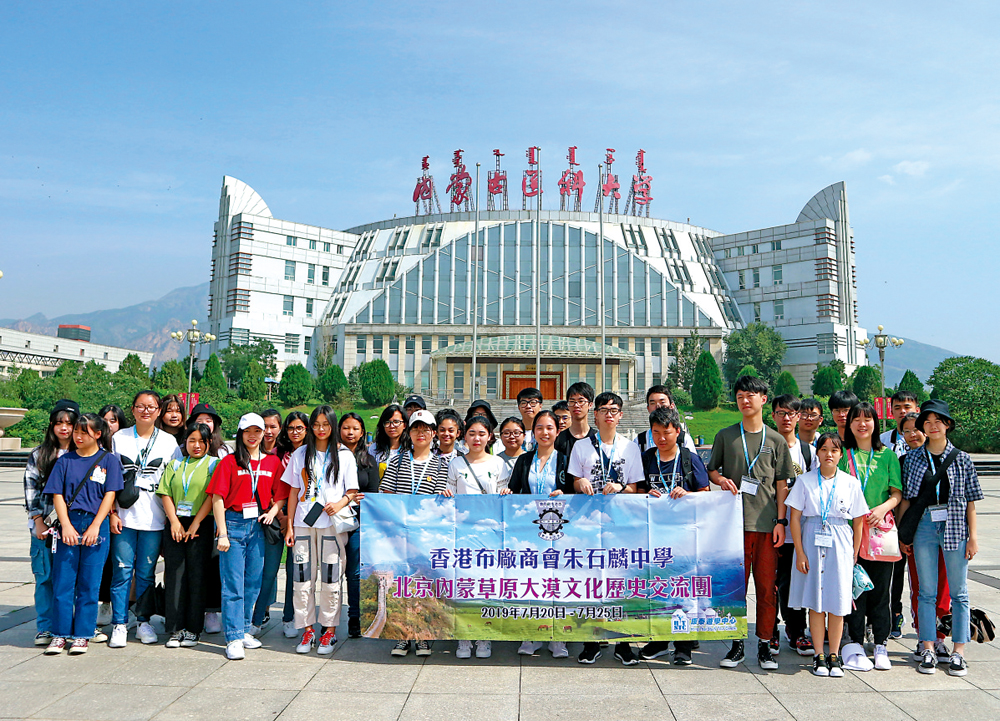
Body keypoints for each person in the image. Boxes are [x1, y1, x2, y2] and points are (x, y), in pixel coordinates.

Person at [707, 375, 795, 671]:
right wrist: (721, 479)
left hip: (767, 525)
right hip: (733, 526)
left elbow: (782, 483)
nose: (745, 400)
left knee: (767, 588)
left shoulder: (776, 439)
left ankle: (766, 643)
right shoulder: (726, 435)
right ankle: (736, 643)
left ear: (763, 400)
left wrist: (781, 521)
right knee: (735, 588)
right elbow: (712, 471)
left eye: (751, 395)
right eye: (740, 395)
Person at [899, 400, 982, 677]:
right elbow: (909, 500)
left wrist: (973, 537)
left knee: (959, 593)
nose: (932, 426)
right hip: (923, 527)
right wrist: (904, 533)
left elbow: (971, 501)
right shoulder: (912, 458)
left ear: (947, 424)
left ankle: (958, 651)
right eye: (927, 421)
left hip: (956, 527)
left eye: (938, 421)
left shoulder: (962, 458)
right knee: (926, 592)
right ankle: (928, 647)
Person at [566, 391, 643, 665]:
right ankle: (591, 641)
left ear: (620, 415)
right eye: (603, 410)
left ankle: (623, 642)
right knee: (590, 583)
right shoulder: (581, 447)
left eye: (614, 410)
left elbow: (637, 488)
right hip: (588, 526)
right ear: (594, 414)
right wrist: (581, 484)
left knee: (621, 582)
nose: (608, 414)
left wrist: (621, 486)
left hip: (620, 526)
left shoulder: (630, 447)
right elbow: (574, 481)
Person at [787, 433, 869, 677]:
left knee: (838, 601)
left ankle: (834, 654)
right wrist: (800, 552)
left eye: (834, 450)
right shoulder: (805, 481)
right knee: (815, 601)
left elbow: (859, 521)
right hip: (812, 538)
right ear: (818, 453)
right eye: (824, 449)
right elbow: (794, 518)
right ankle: (818, 655)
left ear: (840, 454)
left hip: (840, 540)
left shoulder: (850, 482)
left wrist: (853, 553)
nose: (829, 454)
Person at [42, 413, 124, 655]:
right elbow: (57, 494)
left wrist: (96, 525)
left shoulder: (109, 461)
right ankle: (59, 634)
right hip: (69, 522)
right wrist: (65, 525)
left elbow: (110, 495)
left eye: (83, 433)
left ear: (98, 435)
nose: (77, 436)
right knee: (63, 581)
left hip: (95, 524)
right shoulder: (64, 461)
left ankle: (83, 634)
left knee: (90, 582)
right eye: (76, 432)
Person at [207, 413, 285, 660]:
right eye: (248, 431)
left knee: (253, 582)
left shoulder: (272, 462)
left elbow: (281, 493)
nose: (253, 436)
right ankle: (232, 637)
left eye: (258, 431)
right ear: (240, 433)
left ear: (264, 434)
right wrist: (222, 532)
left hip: (258, 526)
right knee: (233, 584)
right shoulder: (230, 462)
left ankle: (242, 629)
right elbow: (217, 498)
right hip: (233, 524)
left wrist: (272, 512)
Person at [283, 406, 359, 655]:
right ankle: (307, 629)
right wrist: (291, 526)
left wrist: (338, 504)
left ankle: (329, 631)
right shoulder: (301, 454)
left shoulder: (344, 455)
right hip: (304, 524)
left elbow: (352, 492)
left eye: (326, 424)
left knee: (331, 579)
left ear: (333, 426)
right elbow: (294, 491)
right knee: (302, 579)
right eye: (316, 424)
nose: (321, 429)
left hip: (331, 525)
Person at [637, 406, 710, 666]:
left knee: (683, 590)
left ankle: (683, 645)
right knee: (656, 588)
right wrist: (646, 494)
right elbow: (636, 490)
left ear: (677, 432)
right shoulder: (646, 458)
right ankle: (658, 640)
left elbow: (706, 492)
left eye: (666, 432)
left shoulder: (689, 458)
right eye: (656, 432)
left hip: (685, 537)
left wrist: (688, 494)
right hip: (654, 536)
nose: (661, 438)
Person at [109, 390, 178, 648]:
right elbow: (111, 479)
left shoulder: (168, 442)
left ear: (159, 410)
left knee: (147, 572)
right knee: (122, 570)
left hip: (153, 517)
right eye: (140, 406)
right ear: (133, 409)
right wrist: (112, 512)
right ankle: (118, 622)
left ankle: (143, 620)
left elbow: (172, 481)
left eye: (151, 407)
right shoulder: (120, 438)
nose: (145, 411)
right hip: (124, 517)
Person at [378, 409, 450, 657]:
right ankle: (401, 637)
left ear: (433, 433)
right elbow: (387, 493)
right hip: (400, 534)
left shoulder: (442, 463)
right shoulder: (397, 460)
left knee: (425, 586)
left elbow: (439, 499)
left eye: (426, 429)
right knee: (401, 585)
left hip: (427, 535)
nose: (421, 433)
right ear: (409, 432)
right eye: (416, 428)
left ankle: (423, 637)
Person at [839, 402, 902, 671]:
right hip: (849, 532)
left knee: (880, 591)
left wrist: (883, 508)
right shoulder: (843, 453)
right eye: (856, 419)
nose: (862, 424)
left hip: (878, 532)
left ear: (875, 423)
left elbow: (896, 493)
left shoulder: (887, 455)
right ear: (849, 424)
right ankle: (854, 642)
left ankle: (880, 643)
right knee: (855, 590)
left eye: (867, 419)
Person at [444, 415, 510, 660]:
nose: (476, 438)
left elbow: (504, 495)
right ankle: (463, 637)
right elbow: (449, 491)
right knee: (463, 586)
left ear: (490, 437)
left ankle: (484, 637)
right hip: (462, 533)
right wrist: (447, 493)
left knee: (486, 585)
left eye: (482, 433)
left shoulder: (498, 464)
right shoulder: (456, 464)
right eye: (472, 433)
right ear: (464, 435)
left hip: (489, 534)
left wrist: (505, 492)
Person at [507, 410, 568, 659]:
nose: (544, 432)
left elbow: (573, 487)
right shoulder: (524, 460)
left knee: (559, 582)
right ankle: (531, 634)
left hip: (560, 530)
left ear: (557, 431)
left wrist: (564, 493)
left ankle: (558, 638)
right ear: (534, 432)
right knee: (532, 582)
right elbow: (513, 489)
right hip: (529, 530)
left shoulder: (565, 460)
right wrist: (506, 494)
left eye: (550, 427)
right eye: (540, 428)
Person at [156, 423, 218, 648]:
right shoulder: (175, 464)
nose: (197, 445)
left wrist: (195, 524)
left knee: (197, 576)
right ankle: (175, 628)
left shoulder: (214, 464)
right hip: (175, 524)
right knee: (174, 575)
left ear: (209, 443)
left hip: (201, 523)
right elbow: (164, 493)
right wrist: (174, 522)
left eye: (202, 441)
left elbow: (212, 495)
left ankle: (193, 629)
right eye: (192, 440)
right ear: (185, 443)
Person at [23, 399, 79, 646]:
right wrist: (37, 521)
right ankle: (45, 627)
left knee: (71, 577)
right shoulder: (39, 454)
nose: (64, 428)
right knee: (44, 577)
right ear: (51, 425)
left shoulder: (83, 454)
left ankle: (71, 626)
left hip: (75, 525)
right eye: (59, 423)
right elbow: (30, 488)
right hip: (44, 527)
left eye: (69, 423)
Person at [897, 413, 950, 655]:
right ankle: (924, 637)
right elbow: (904, 500)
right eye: (906, 431)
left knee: (945, 587)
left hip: (948, 530)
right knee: (920, 587)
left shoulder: (950, 456)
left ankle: (940, 636)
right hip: (919, 530)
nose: (912, 435)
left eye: (915, 429)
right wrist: (903, 534)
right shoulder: (906, 461)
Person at [771, 395, 816, 657]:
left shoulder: (808, 451)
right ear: (773, 416)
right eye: (781, 413)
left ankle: (797, 632)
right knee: (773, 583)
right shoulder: (767, 446)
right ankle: (771, 632)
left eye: (791, 413)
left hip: (801, 530)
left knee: (798, 582)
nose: (786, 418)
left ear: (799, 416)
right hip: (776, 526)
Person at [339, 412, 380, 638]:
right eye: (346, 428)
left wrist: (359, 499)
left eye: (355, 428)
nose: (350, 432)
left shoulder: (368, 460)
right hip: (332, 520)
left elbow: (372, 494)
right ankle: (330, 620)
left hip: (357, 522)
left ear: (362, 432)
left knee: (354, 573)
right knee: (332, 571)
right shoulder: (330, 457)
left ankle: (354, 617)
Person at [274, 410, 309, 639]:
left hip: (304, 516)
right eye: (291, 428)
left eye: (300, 428)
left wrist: (293, 520)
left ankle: (295, 616)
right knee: (281, 570)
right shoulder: (279, 454)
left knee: (300, 570)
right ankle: (279, 616)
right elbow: (271, 487)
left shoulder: (313, 454)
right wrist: (282, 518)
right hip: (280, 514)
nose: (295, 432)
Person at [554, 382, 598, 494]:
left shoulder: (598, 439)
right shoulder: (558, 439)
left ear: (590, 404)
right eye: (572, 401)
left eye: (581, 401)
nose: (576, 405)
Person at [635, 385, 697, 454]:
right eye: (653, 403)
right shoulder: (640, 441)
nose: (658, 406)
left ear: (672, 406)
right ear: (648, 408)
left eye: (662, 402)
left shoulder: (683, 439)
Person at [369, 404, 407, 479]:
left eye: (396, 422)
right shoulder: (374, 449)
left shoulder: (412, 448)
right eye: (387, 422)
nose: (392, 426)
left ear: (404, 425)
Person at [880, 391, 920, 458]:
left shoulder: (928, 438)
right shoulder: (883, 440)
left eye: (907, 407)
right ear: (892, 412)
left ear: (917, 410)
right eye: (897, 408)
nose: (902, 411)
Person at [516, 387, 543, 451]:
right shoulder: (514, 432)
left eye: (533, 402)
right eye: (523, 403)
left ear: (540, 406)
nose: (528, 406)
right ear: (519, 407)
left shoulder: (546, 431)